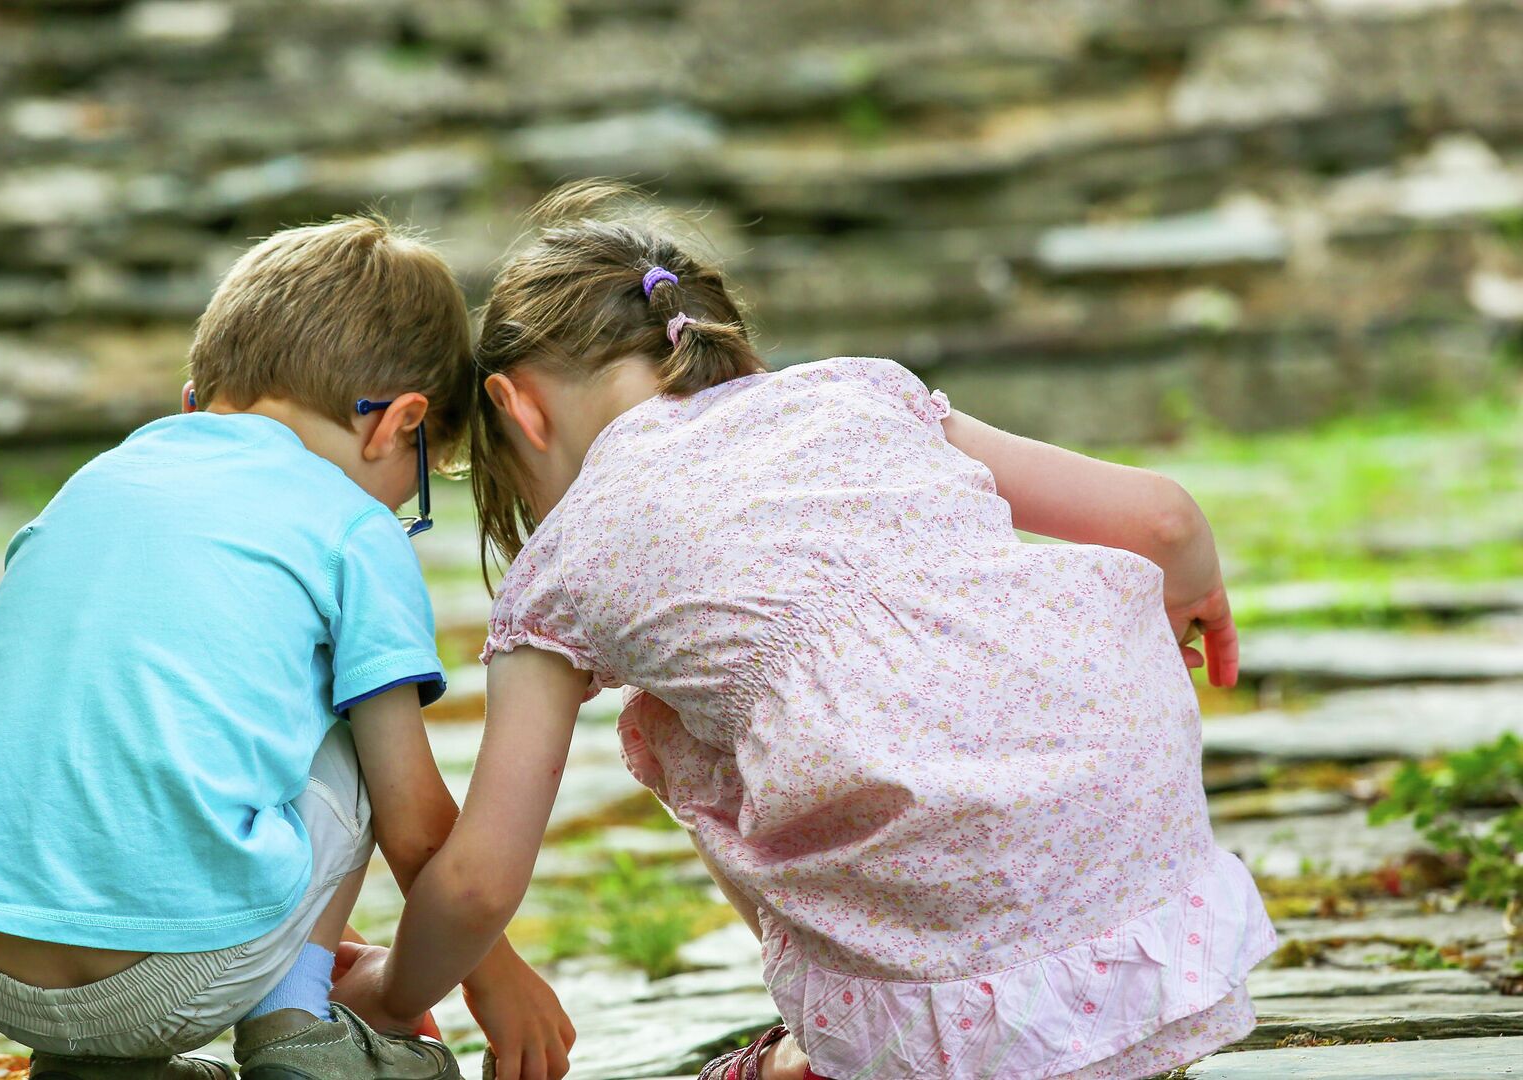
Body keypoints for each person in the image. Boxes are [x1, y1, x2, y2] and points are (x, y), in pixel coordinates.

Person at [332, 184, 1276, 1080]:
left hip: (941, 880)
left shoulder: (562, 570)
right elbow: (1164, 523)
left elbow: (479, 886)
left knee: (669, 723)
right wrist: (1192, 599)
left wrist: (386, 990)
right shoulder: (860, 390)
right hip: (1131, 844)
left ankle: (840, 1044)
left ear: (516, 407)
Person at [0, 215, 573, 1080]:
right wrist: (493, 976)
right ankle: (296, 1031)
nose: (397, 510)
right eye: (415, 484)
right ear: (399, 424)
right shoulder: (349, 527)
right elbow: (416, 827)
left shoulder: (97, 482)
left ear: (197, 400)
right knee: (358, 705)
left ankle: (94, 1065)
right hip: (172, 976)